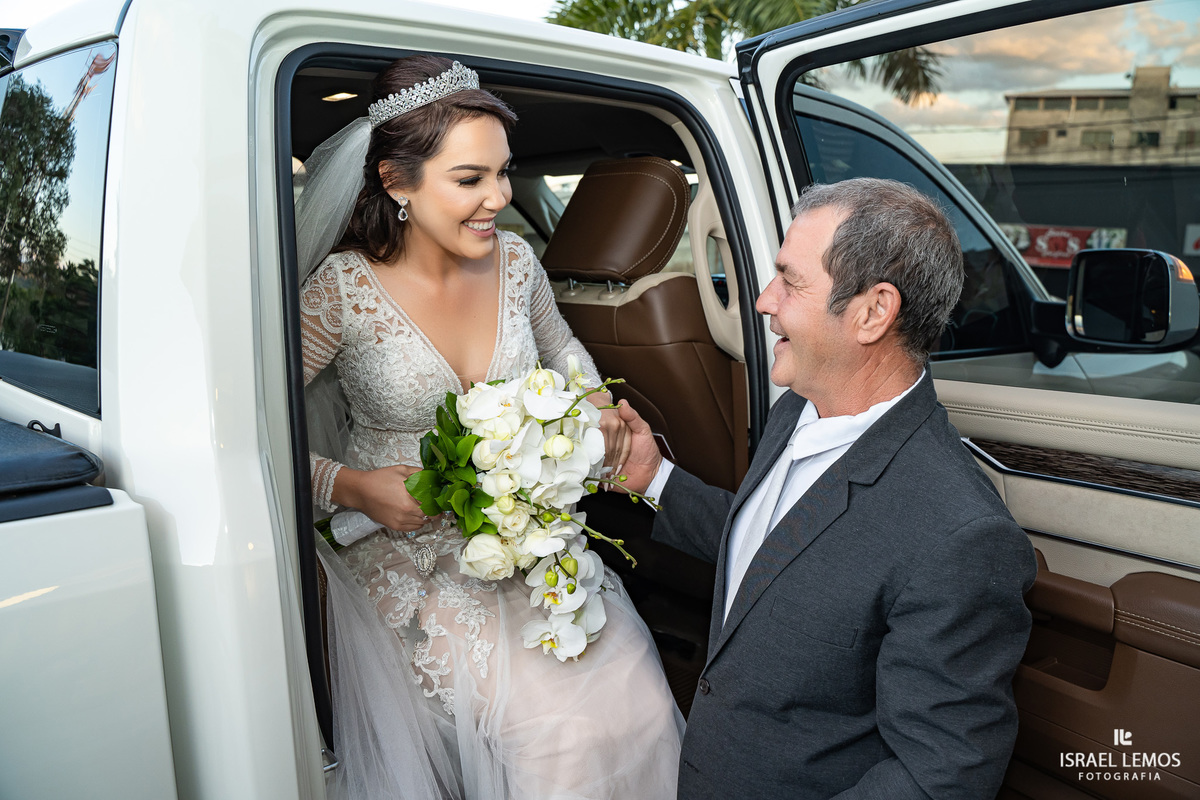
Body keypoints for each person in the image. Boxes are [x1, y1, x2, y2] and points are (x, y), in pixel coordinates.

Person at [296, 55, 683, 799]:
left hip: (537, 545)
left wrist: (599, 410)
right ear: (396, 182)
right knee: (557, 738)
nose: (499, 200)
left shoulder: (515, 261)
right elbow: (253, 424)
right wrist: (352, 488)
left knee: (637, 703)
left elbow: (566, 352)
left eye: (505, 174)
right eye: (471, 180)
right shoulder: (342, 290)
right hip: (407, 559)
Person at [616, 178, 1037, 799]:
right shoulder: (798, 407)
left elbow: (936, 775)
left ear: (872, 312)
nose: (762, 301)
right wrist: (656, 480)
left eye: (790, 280)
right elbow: (778, 556)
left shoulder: (959, 534)